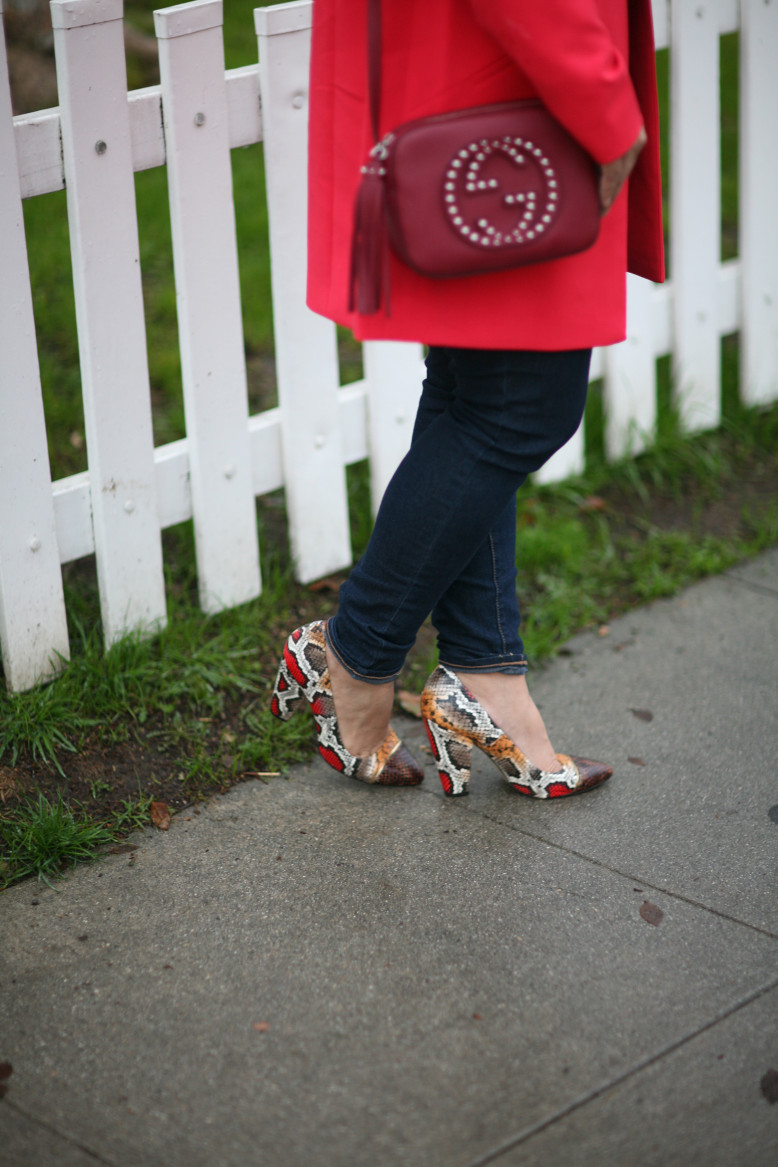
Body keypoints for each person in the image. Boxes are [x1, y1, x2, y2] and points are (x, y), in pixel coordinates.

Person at [271, 0, 664, 797]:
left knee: (477, 393)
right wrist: (602, 101)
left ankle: (487, 677)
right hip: (513, 90)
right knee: (521, 406)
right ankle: (351, 653)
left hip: (469, 81)